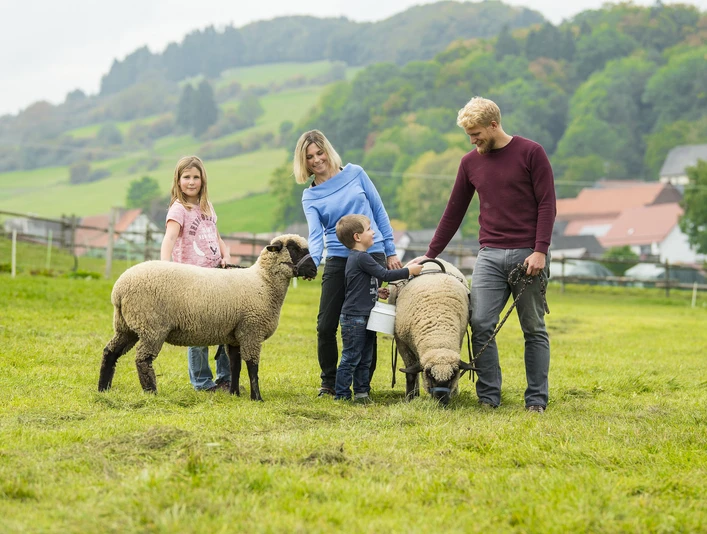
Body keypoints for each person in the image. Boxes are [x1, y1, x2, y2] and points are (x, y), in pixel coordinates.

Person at [416, 97, 556, 413]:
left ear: (493, 125)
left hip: (527, 257)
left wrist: (540, 251)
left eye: (476, 133)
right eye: (469, 135)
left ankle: (536, 399)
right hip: (490, 255)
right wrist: (430, 255)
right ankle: (489, 396)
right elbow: (454, 212)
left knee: (533, 328)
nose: (473, 140)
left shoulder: (531, 153)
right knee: (480, 324)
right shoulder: (470, 163)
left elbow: (547, 204)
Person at [294, 130, 402, 398]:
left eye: (320, 153)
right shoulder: (311, 196)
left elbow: (379, 211)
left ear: (328, 150)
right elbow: (316, 236)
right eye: (310, 157)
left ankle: (362, 386)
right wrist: (313, 262)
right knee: (326, 325)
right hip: (339, 260)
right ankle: (329, 383)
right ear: (303, 162)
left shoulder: (356, 173)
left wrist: (390, 251)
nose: (317, 160)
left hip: (372, 254)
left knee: (369, 322)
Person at [160, 155, 232, 392]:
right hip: (192, 279)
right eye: (186, 177)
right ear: (178, 180)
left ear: (203, 180)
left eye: (196, 177)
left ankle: (226, 377)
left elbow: (217, 236)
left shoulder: (207, 207)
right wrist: (165, 266)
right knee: (198, 331)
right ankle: (202, 381)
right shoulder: (179, 209)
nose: (191, 182)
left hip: (216, 276)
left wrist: (226, 255)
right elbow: (170, 238)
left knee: (225, 326)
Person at [333, 215, 422, 403]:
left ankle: (362, 393)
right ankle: (342, 395)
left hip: (365, 315)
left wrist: (375, 291)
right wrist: (409, 271)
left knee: (366, 357)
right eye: (368, 229)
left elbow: (360, 283)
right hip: (354, 317)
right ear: (357, 237)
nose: (373, 232)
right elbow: (384, 273)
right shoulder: (362, 257)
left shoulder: (358, 258)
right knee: (351, 357)